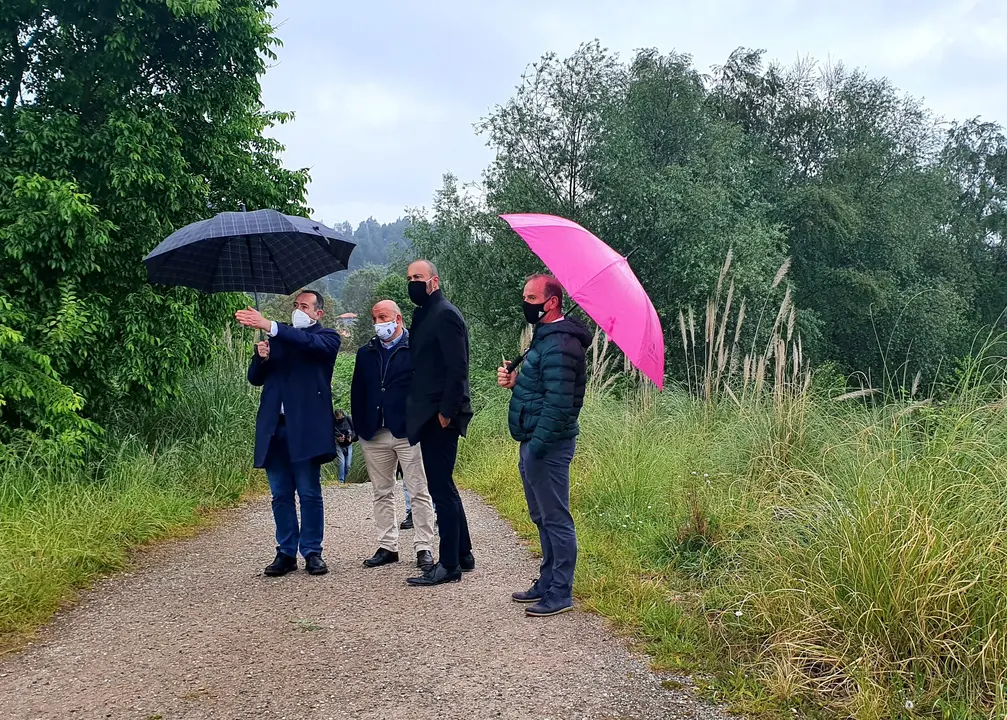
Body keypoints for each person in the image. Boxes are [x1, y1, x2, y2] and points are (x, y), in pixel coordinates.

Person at [497, 274, 590, 616]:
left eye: (532, 297)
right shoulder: (545, 337)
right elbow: (540, 390)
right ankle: (548, 579)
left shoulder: (563, 344)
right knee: (541, 516)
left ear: (551, 302)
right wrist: (514, 381)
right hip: (534, 440)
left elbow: (561, 403)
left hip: (547, 445)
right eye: (525, 296)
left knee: (556, 517)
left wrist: (536, 446)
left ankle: (561, 591)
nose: (526, 303)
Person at [236, 291, 341, 577]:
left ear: (318, 312)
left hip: (305, 429)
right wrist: (261, 358)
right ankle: (285, 552)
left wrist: (270, 325)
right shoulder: (278, 339)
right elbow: (256, 380)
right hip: (276, 428)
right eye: (295, 305)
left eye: (304, 306)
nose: (298, 310)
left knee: (309, 493)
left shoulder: (327, 338)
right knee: (280, 495)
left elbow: (308, 344)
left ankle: (312, 551)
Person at [351, 300, 437, 571]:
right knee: (381, 491)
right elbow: (358, 390)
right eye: (375, 318)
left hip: (408, 431)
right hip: (374, 432)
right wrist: (359, 426)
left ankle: (424, 546)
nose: (379, 323)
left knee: (419, 490)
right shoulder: (366, 352)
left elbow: (427, 387)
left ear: (398, 319)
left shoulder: (416, 348)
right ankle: (388, 545)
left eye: (383, 317)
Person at [403, 260, 475, 586]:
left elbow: (458, 368)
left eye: (418, 277)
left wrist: (447, 411)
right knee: (444, 484)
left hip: (441, 414)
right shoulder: (424, 314)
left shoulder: (445, 314)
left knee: (440, 490)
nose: (413, 283)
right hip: (427, 410)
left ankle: (448, 565)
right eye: (409, 278)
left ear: (434, 281)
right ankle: (463, 553)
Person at [333, 409, 356, 483]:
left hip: (348, 444)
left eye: (341, 417)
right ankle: (341, 480)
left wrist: (351, 437)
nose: (340, 419)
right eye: (338, 418)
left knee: (348, 464)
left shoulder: (348, 419)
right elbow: (331, 432)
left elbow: (354, 430)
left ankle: (346, 478)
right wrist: (338, 438)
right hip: (339, 444)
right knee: (341, 462)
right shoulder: (333, 422)